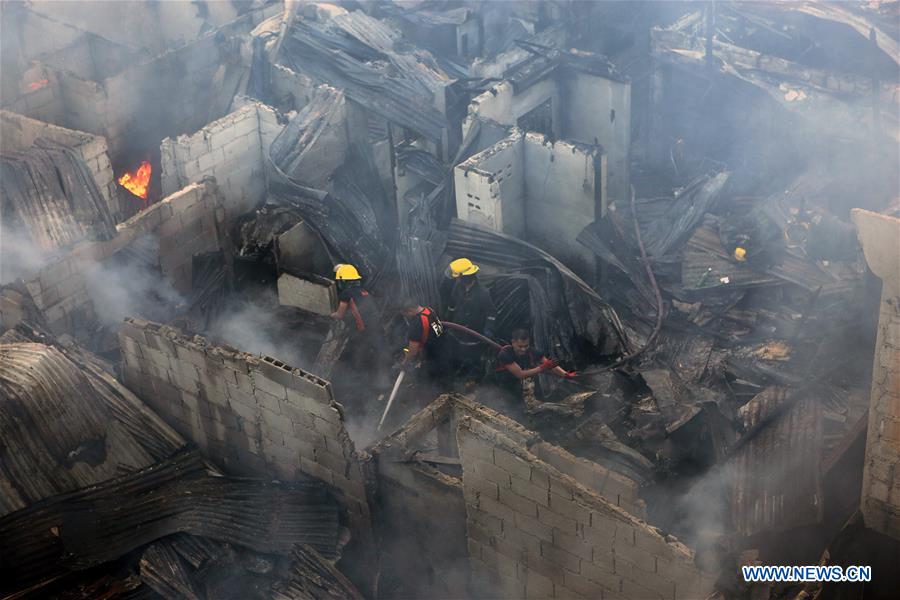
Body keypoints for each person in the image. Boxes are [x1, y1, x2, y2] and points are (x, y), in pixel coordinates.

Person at [495, 328, 576, 412]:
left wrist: (565, 374)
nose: (523, 349)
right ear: (513, 342)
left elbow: (550, 364)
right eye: (520, 346)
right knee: (509, 408)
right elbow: (520, 374)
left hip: (518, 385)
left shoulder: (531, 352)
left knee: (524, 406)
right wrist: (542, 368)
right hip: (501, 385)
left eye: (526, 346)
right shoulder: (505, 353)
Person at [331, 264, 381, 371]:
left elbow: (339, 315)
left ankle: (352, 374)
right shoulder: (364, 292)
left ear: (343, 281)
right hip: (375, 329)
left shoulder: (346, 293)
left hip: (362, 332)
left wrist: (329, 314)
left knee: (354, 355)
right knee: (364, 354)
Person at [398, 299, 447, 381]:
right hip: (444, 351)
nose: (406, 317)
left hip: (431, 359)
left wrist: (405, 363)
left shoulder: (416, 323)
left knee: (429, 382)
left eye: (406, 314)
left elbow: (413, 350)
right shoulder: (430, 310)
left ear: (410, 310)